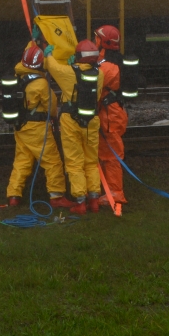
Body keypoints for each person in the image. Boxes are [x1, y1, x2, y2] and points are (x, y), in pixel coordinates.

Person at [5, 43, 69, 208]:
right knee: (52, 161)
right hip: (38, 129)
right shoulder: (40, 84)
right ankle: (56, 196)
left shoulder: (18, 75)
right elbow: (52, 107)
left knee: (22, 162)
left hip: (21, 128)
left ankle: (14, 195)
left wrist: (33, 40)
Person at [45, 39, 103, 214]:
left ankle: (80, 203)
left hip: (71, 121)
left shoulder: (68, 73)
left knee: (74, 163)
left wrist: (47, 52)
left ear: (78, 57)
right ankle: (94, 201)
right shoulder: (100, 74)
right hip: (91, 121)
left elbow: (52, 66)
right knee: (91, 162)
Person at [94, 24, 127, 209]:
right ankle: (108, 189)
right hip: (110, 114)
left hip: (109, 117)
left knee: (111, 156)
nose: (94, 41)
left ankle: (115, 193)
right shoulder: (109, 62)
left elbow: (96, 91)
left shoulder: (107, 67)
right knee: (106, 154)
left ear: (103, 42)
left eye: (96, 38)